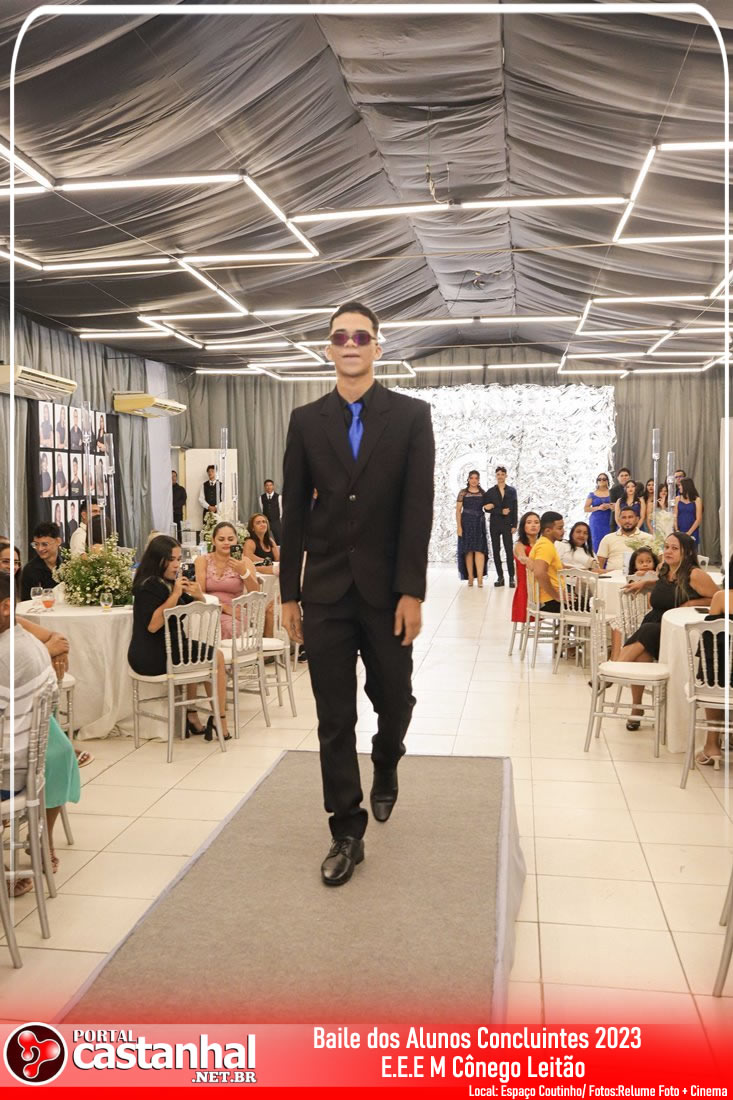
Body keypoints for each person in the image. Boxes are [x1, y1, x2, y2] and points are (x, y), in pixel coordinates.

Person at [280, 300, 434, 887]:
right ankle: (346, 829)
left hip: (387, 590)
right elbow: (294, 513)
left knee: (395, 698)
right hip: (324, 590)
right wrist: (289, 594)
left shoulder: (411, 416)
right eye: (341, 336)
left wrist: (411, 590)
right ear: (328, 349)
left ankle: (388, 756)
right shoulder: (305, 421)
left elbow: (417, 509)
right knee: (333, 715)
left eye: (361, 337)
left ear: (377, 347)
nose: (351, 344)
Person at [0, 572, 81, 894]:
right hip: (28, 766)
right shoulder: (25, 641)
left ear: (6, 606)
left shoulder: (9, 654)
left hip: (9, 773)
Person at [128, 535, 230, 741]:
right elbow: (153, 625)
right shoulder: (148, 585)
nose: (177, 565)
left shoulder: (166, 582)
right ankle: (220, 720)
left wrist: (198, 595)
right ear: (158, 560)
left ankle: (194, 715)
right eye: (172, 560)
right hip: (151, 653)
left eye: (178, 559)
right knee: (215, 657)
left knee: (203, 656)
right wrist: (175, 595)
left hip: (172, 647)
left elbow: (192, 607)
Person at [618, 532, 718, 729]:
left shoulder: (695, 575)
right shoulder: (664, 569)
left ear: (687, 552)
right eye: (666, 547)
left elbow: (719, 598)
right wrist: (646, 582)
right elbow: (664, 584)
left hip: (675, 631)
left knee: (646, 632)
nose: (668, 552)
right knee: (642, 652)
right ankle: (637, 707)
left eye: (674, 548)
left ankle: (615, 670)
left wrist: (693, 602)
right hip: (656, 624)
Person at [694, 561, 733, 768]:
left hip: (720, 680)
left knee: (715, 669)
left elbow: (708, 643)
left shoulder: (722, 597)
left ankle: (712, 744)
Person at [194, 521, 258, 640]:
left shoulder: (244, 561)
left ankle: (221, 653)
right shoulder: (202, 561)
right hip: (209, 609)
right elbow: (200, 592)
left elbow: (255, 592)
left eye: (230, 539)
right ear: (213, 541)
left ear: (236, 540)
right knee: (198, 624)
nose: (226, 543)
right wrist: (223, 607)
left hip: (235, 612)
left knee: (229, 627)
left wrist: (243, 572)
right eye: (221, 539)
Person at [483, 466, 518, 587]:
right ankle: (500, 577)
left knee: (509, 550)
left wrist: (515, 524)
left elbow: (515, 508)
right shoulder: (490, 491)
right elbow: (486, 508)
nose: (500, 476)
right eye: (498, 474)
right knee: (496, 550)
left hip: (507, 524)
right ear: (495, 476)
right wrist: (499, 511)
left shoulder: (512, 491)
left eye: (502, 474)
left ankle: (512, 577)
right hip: (495, 524)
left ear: (506, 476)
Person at [456, 470, 488, 587]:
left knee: (480, 550)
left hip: (479, 524)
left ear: (478, 480)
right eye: (472, 478)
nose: (474, 480)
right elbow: (458, 511)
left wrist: (491, 506)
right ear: (468, 479)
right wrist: (459, 527)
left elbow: (487, 507)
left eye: (476, 478)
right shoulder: (463, 493)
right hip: (466, 523)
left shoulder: (483, 493)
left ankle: (480, 578)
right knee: (468, 550)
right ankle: (470, 576)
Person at [596, 506, 653, 572]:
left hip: (640, 576)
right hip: (612, 576)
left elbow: (659, 560)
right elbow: (599, 565)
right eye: (624, 517)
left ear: (637, 519)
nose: (627, 521)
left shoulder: (648, 538)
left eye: (630, 517)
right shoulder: (608, 538)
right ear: (619, 520)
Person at [528, 511, 565, 612]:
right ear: (548, 531)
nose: (563, 531)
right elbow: (539, 572)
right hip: (550, 600)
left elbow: (561, 566)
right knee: (594, 606)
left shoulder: (545, 543)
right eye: (560, 528)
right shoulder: (545, 546)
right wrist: (557, 596)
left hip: (550, 598)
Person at [511, 511, 540, 628]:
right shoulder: (520, 545)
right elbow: (522, 557)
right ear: (523, 526)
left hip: (540, 585)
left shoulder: (541, 544)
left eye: (536, 522)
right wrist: (528, 561)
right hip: (527, 587)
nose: (533, 525)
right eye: (529, 522)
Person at [20, 522, 62, 600]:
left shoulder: (67, 565)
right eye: (36, 544)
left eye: (44, 544)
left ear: (58, 541)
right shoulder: (30, 570)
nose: (40, 549)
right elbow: (26, 601)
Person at [584, 473, 613, 552]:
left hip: (609, 520)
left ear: (607, 481)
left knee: (610, 541)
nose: (601, 481)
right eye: (599, 479)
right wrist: (598, 508)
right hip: (596, 521)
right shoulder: (592, 494)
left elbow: (617, 505)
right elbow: (586, 508)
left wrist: (609, 506)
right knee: (596, 541)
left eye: (604, 479)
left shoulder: (612, 493)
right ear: (597, 481)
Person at [674, 477, 702, 546]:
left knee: (691, 550)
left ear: (686, 486)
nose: (679, 487)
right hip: (680, 530)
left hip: (692, 531)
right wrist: (677, 530)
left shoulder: (697, 500)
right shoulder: (677, 498)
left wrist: (688, 533)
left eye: (680, 485)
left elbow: (698, 519)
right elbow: (675, 516)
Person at [260, 479, 282, 544]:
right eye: (267, 485)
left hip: (276, 521)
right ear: (264, 487)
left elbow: (281, 509)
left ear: (273, 486)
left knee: (279, 539)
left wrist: (277, 519)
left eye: (270, 485)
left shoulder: (279, 497)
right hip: (266, 521)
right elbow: (262, 509)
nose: (269, 487)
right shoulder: (261, 497)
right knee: (265, 538)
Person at [171, 471, 187, 539]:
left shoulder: (181, 489)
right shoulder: (166, 489)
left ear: (176, 478)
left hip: (178, 514)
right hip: (167, 514)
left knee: (178, 531)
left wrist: (173, 507)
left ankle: (178, 543)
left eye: (174, 476)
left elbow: (183, 501)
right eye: (171, 476)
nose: (172, 478)